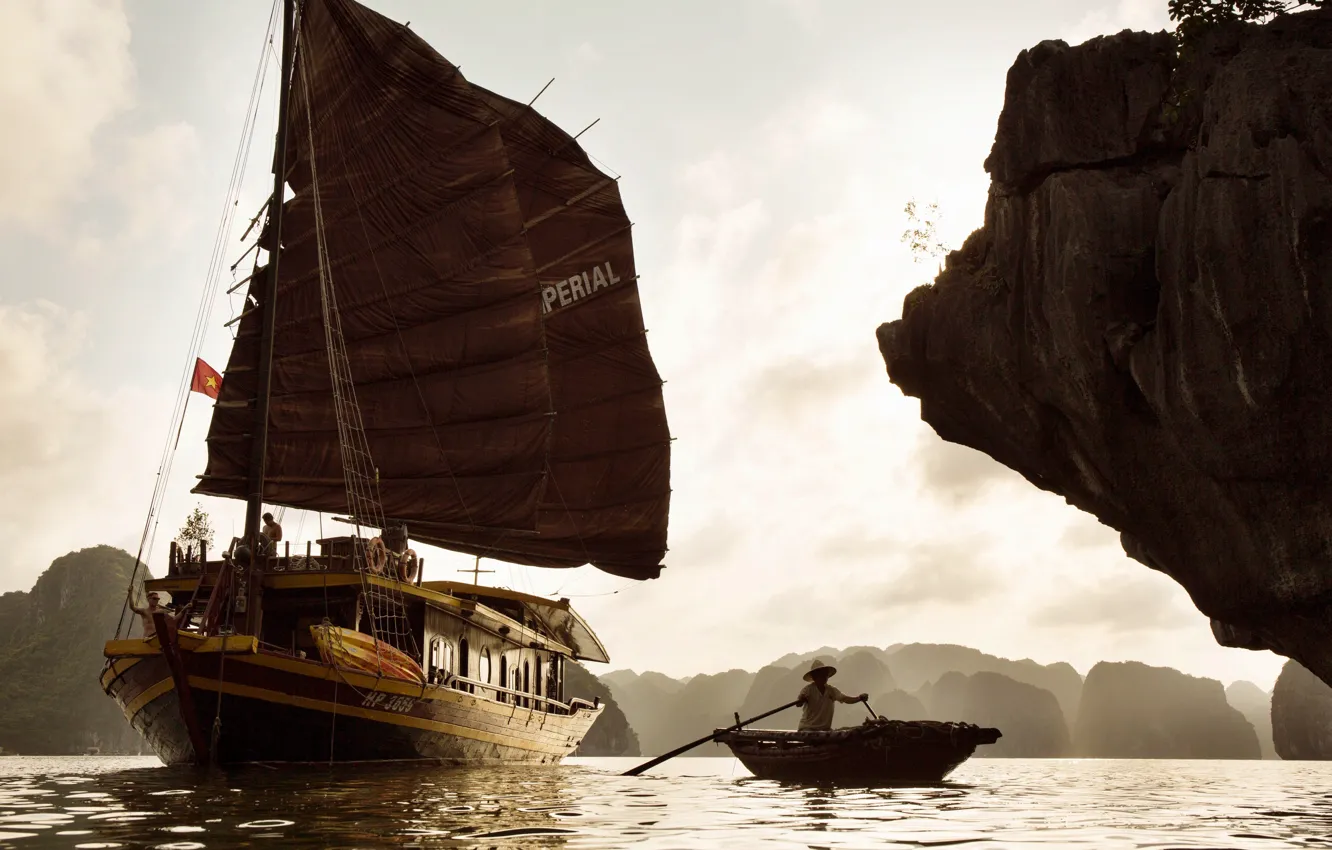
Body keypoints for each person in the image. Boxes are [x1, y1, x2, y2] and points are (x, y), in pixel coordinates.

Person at [795, 659, 868, 731]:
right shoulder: (808, 690)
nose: (824, 676)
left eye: (825, 674)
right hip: (807, 728)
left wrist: (859, 698)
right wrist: (801, 699)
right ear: (815, 677)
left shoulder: (831, 690)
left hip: (824, 729)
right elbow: (798, 704)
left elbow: (845, 699)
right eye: (821, 674)